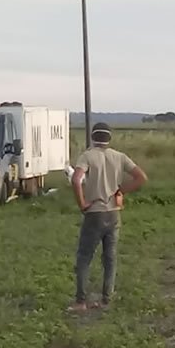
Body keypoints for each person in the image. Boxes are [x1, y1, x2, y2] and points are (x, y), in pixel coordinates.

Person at [68, 123, 148, 312]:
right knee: (110, 257)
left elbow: (75, 179)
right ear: (109, 138)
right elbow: (141, 177)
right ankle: (106, 300)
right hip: (114, 213)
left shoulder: (87, 156)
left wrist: (82, 204)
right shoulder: (119, 157)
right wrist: (121, 191)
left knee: (84, 257)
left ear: (92, 137)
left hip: (94, 212)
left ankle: (81, 301)